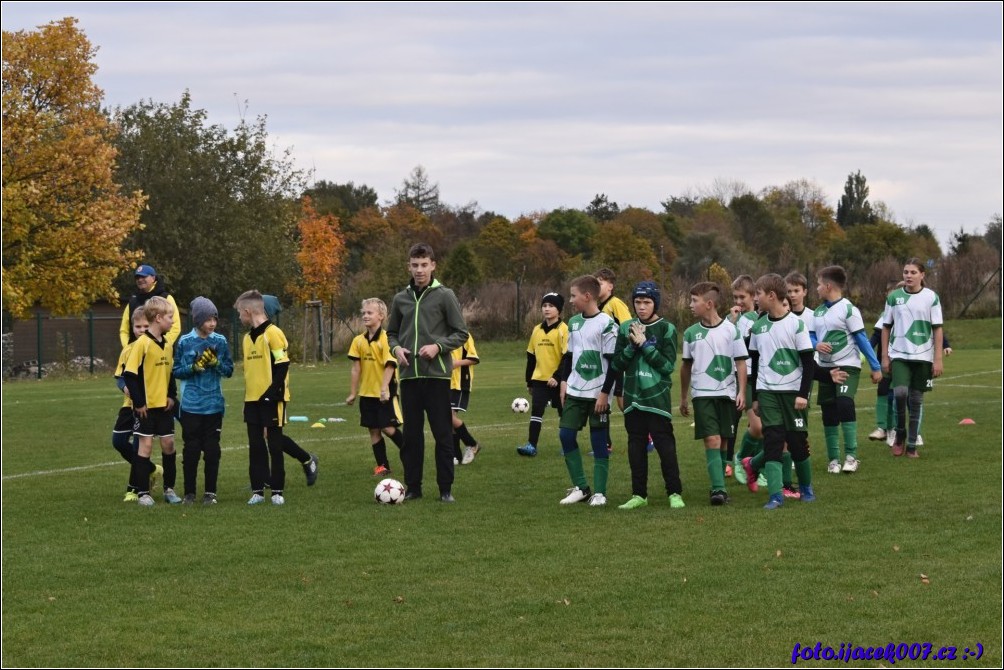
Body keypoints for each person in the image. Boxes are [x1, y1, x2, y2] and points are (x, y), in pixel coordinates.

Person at [386, 243, 469, 503]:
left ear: (433, 265)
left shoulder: (445, 295)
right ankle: (413, 487)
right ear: (408, 267)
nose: (419, 270)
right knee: (411, 437)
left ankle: (445, 489)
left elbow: (461, 333)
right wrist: (396, 349)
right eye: (415, 265)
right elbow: (391, 333)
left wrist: (438, 346)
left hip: (437, 377)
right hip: (409, 377)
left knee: (443, 434)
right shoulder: (400, 299)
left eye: (424, 265)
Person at [235, 290, 318, 506]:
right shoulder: (246, 339)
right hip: (252, 400)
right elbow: (251, 374)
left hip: (273, 399)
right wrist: (249, 399)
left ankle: (277, 491)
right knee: (255, 446)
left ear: (247, 311)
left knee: (274, 445)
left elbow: (282, 366)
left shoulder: (273, 333)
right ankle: (257, 491)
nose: (239, 317)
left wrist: (270, 395)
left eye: (239, 312)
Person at [610, 281, 684, 510]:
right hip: (633, 399)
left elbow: (667, 366)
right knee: (636, 447)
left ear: (655, 304)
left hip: (657, 398)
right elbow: (616, 364)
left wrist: (645, 345)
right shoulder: (626, 328)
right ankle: (639, 495)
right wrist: (632, 346)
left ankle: (674, 493)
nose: (641, 307)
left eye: (647, 302)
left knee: (665, 447)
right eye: (638, 302)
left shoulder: (667, 329)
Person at [745, 274, 817, 509]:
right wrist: (756, 397)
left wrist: (802, 394)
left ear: (771, 296)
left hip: (793, 394)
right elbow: (755, 364)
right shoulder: (758, 327)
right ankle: (775, 495)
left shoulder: (796, 325)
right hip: (768, 393)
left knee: (797, 443)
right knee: (773, 442)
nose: (755, 298)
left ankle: (806, 488)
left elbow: (809, 363)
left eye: (758, 294)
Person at [679, 282, 748, 506]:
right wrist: (683, 396)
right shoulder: (690, 333)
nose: (690, 305)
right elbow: (686, 366)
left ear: (709, 304)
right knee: (712, 439)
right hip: (702, 395)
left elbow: (740, 363)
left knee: (724, 441)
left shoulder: (731, 330)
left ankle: (721, 484)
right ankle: (718, 489)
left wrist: (742, 392)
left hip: (727, 394)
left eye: (694, 301)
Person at [812, 266, 882, 474]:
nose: (816, 288)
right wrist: (816, 344)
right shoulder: (818, 312)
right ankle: (833, 460)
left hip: (847, 365)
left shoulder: (849, 309)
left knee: (844, 403)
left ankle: (851, 456)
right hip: (825, 368)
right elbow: (811, 336)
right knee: (828, 412)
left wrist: (875, 366)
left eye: (818, 284)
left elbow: (862, 338)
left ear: (828, 286)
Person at [555, 275, 618, 506]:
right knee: (565, 435)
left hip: (598, 393)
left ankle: (600, 492)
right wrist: (564, 381)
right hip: (575, 390)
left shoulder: (608, 324)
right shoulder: (573, 323)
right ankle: (581, 488)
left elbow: (614, 363)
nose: (571, 300)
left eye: (574, 296)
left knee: (598, 440)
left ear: (588, 296)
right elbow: (569, 356)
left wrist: (605, 393)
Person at [172, 297, 234, 505]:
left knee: (212, 450)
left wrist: (216, 363)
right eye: (208, 319)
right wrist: (193, 368)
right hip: (190, 406)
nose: (212, 323)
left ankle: (210, 493)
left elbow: (229, 370)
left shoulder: (220, 341)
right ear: (198, 320)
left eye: (215, 319)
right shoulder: (185, 341)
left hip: (214, 406)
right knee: (191, 450)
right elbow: (176, 371)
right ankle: (189, 493)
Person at [881, 258, 944, 457]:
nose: (908, 275)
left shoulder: (931, 297)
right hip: (899, 354)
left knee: (916, 400)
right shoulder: (894, 297)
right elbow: (885, 327)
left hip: (924, 356)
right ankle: (900, 433)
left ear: (922, 275)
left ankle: (911, 445)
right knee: (900, 394)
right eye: (906, 272)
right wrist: (885, 356)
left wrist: (938, 359)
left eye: (913, 272)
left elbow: (937, 329)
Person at [122, 296, 180, 506]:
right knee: (145, 447)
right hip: (145, 408)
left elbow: (170, 374)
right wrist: (139, 403)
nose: (172, 321)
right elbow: (130, 376)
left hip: (164, 408)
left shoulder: (168, 344)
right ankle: (143, 493)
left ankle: (169, 489)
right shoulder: (142, 344)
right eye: (170, 317)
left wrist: (172, 396)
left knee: (169, 445)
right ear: (158, 318)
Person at [346, 298, 404, 477]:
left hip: (385, 392)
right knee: (373, 429)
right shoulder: (358, 341)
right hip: (367, 393)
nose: (365, 316)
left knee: (387, 427)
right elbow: (356, 369)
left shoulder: (387, 339)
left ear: (381, 316)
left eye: (369, 313)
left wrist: (384, 389)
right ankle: (382, 466)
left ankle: (410, 453)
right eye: (363, 313)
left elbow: (390, 366)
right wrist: (353, 392)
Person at [112, 309, 162, 501]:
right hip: (129, 406)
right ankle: (150, 469)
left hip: (147, 407)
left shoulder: (154, 347)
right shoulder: (128, 349)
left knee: (137, 447)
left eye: (145, 326)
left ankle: (133, 490)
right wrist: (124, 387)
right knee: (118, 441)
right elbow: (120, 377)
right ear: (132, 328)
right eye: (138, 326)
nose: (141, 329)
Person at [517, 292, 569, 457]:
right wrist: (529, 381)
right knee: (536, 412)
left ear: (559, 310)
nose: (547, 309)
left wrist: (557, 377)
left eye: (551, 306)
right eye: (544, 305)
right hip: (539, 379)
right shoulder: (536, 330)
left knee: (564, 413)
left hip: (559, 380)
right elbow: (531, 357)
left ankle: (567, 446)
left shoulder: (564, 329)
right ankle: (531, 446)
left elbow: (567, 357)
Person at [727, 275, 761, 481]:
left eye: (742, 297)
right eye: (735, 297)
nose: (738, 301)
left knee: (758, 426)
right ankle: (729, 462)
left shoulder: (760, 319)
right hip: (733, 376)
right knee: (731, 421)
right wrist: (731, 322)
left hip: (754, 376)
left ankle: (746, 460)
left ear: (754, 296)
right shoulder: (730, 319)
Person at [594, 268, 632, 450]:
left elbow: (628, 327)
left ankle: (646, 437)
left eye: (600, 283)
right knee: (604, 399)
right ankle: (606, 443)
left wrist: (624, 354)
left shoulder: (615, 304)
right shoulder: (598, 307)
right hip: (605, 361)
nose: (597, 286)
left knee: (622, 401)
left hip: (618, 361)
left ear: (610, 286)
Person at [119, 264, 181, 348]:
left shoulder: (166, 298)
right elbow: (124, 330)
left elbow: (175, 326)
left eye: (143, 277)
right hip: (136, 352)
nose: (140, 280)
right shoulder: (132, 301)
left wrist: (162, 345)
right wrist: (128, 348)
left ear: (153, 278)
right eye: (137, 277)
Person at [451, 333, 482, 465]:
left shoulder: (464, 335)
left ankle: (472, 444)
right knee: (449, 419)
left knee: (449, 416)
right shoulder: (440, 333)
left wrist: (456, 363)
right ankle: (456, 455)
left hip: (459, 383)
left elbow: (474, 358)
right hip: (444, 383)